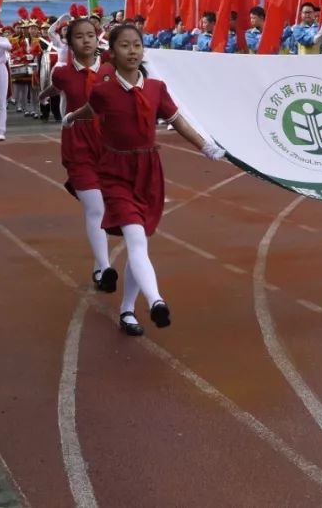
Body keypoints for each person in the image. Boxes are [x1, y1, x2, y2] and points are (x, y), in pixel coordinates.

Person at [62, 24, 224, 335]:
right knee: (136, 239)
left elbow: (177, 120)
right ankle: (156, 302)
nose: (132, 51)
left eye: (137, 45)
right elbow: (89, 109)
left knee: (141, 242)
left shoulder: (156, 89)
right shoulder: (104, 90)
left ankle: (127, 312)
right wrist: (70, 117)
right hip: (116, 173)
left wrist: (205, 145)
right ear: (112, 51)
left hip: (149, 172)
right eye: (125, 45)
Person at [37, 17, 116, 292]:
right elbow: (58, 87)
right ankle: (106, 269)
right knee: (96, 208)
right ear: (69, 42)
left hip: (108, 143)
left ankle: (99, 266)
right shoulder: (62, 72)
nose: (86, 40)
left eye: (91, 35)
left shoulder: (110, 67)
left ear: (98, 39)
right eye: (79, 36)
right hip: (78, 143)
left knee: (107, 206)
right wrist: (43, 95)